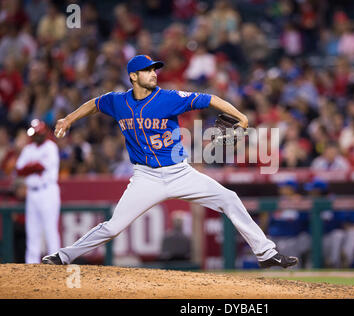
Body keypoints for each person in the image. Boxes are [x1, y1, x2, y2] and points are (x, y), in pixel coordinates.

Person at [42, 55, 298, 269]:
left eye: (155, 69)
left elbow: (209, 99)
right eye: (147, 70)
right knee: (112, 228)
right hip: (145, 178)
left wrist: (240, 116)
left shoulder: (168, 98)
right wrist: (68, 119)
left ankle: (265, 253)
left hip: (179, 173)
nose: (154, 73)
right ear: (133, 76)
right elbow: (94, 104)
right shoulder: (118, 101)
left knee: (228, 198)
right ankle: (63, 256)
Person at [15, 119, 61, 264]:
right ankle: (31, 265)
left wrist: (31, 167)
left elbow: (40, 166)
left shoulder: (50, 147)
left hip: (48, 191)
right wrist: (32, 167)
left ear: (43, 133)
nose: (36, 136)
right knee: (32, 231)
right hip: (32, 193)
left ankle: (55, 264)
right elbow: (19, 169)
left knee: (50, 230)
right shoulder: (29, 149)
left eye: (38, 133)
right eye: (34, 134)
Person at [259, 180, 311, 268]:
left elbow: (306, 223)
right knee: (265, 246)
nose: (281, 190)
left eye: (285, 188)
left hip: (293, 238)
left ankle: (295, 273)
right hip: (275, 238)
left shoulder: (300, 202)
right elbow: (266, 222)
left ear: (292, 189)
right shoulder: (276, 202)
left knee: (289, 246)